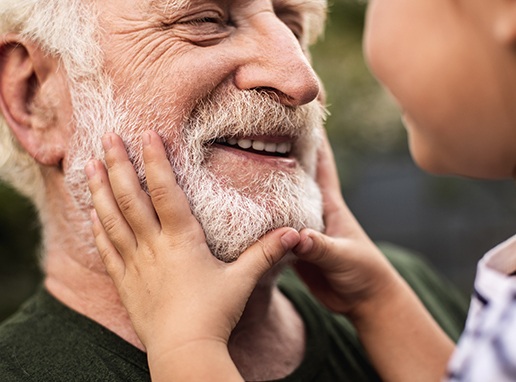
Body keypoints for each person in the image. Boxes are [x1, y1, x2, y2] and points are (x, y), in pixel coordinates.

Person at [0, 0, 467, 381]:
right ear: (35, 97)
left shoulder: (414, 293)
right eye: (206, 20)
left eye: (292, 24)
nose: (302, 80)